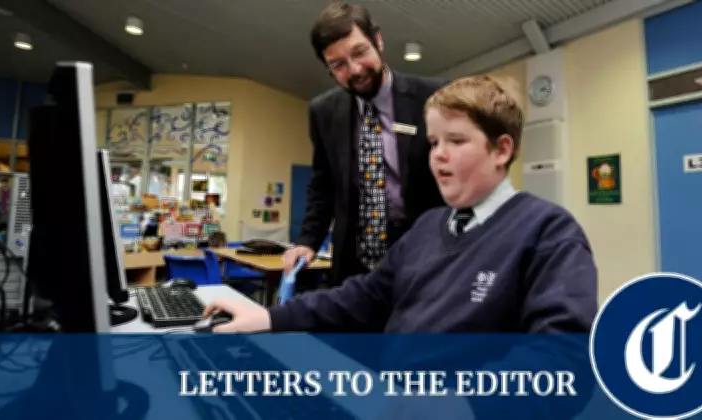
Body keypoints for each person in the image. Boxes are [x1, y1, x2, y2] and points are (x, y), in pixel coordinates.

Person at [204, 74, 598, 336]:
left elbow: (562, 357)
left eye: (456, 141)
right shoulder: (427, 228)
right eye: (433, 142)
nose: (438, 155)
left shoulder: (548, 232)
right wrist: (270, 316)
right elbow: (361, 297)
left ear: (502, 150)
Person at [283, 2, 448, 286]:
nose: (355, 70)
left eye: (360, 52)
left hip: (424, 248)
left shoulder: (434, 97)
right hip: (354, 258)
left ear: (378, 41)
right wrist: (307, 241)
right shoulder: (323, 112)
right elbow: (323, 184)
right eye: (338, 65)